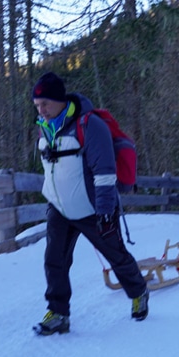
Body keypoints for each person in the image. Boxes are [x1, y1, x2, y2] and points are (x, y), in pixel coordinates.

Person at [31, 72, 149, 335]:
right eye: (37, 106)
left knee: (115, 254)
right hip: (59, 209)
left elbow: (105, 171)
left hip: (93, 209)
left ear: (60, 100)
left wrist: (106, 212)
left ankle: (139, 291)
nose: (42, 110)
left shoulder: (90, 125)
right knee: (54, 260)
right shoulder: (44, 126)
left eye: (46, 104)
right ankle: (58, 313)